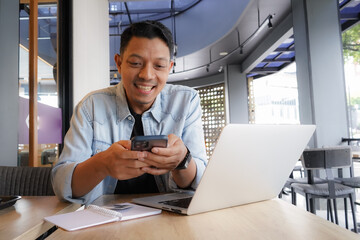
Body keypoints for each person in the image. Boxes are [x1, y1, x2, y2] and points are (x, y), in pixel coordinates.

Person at [52, 21, 208, 205]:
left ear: (169, 67)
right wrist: (103, 163)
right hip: (104, 219)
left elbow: (201, 183)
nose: (147, 75)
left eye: (159, 66)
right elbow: (62, 187)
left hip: (169, 219)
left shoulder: (186, 101)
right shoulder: (91, 106)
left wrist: (182, 160)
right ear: (119, 63)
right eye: (135, 63)